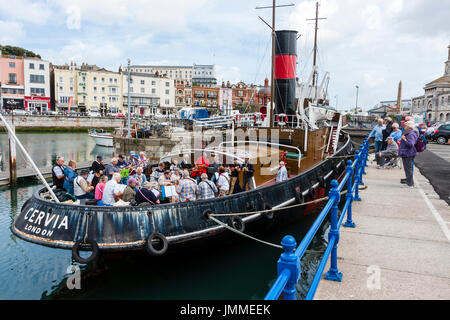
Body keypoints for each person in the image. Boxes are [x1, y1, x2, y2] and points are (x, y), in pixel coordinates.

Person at [399, 121, 418, 188]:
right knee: (408, 169)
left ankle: (410, 184)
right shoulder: (411, 133)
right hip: (407, 153)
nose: (404, 127)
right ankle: (409, 183)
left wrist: (404, 139)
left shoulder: (411, 134)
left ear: (409, 126)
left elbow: (410, 144)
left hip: (408, 153)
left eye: (405, 125)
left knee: (408, 169)